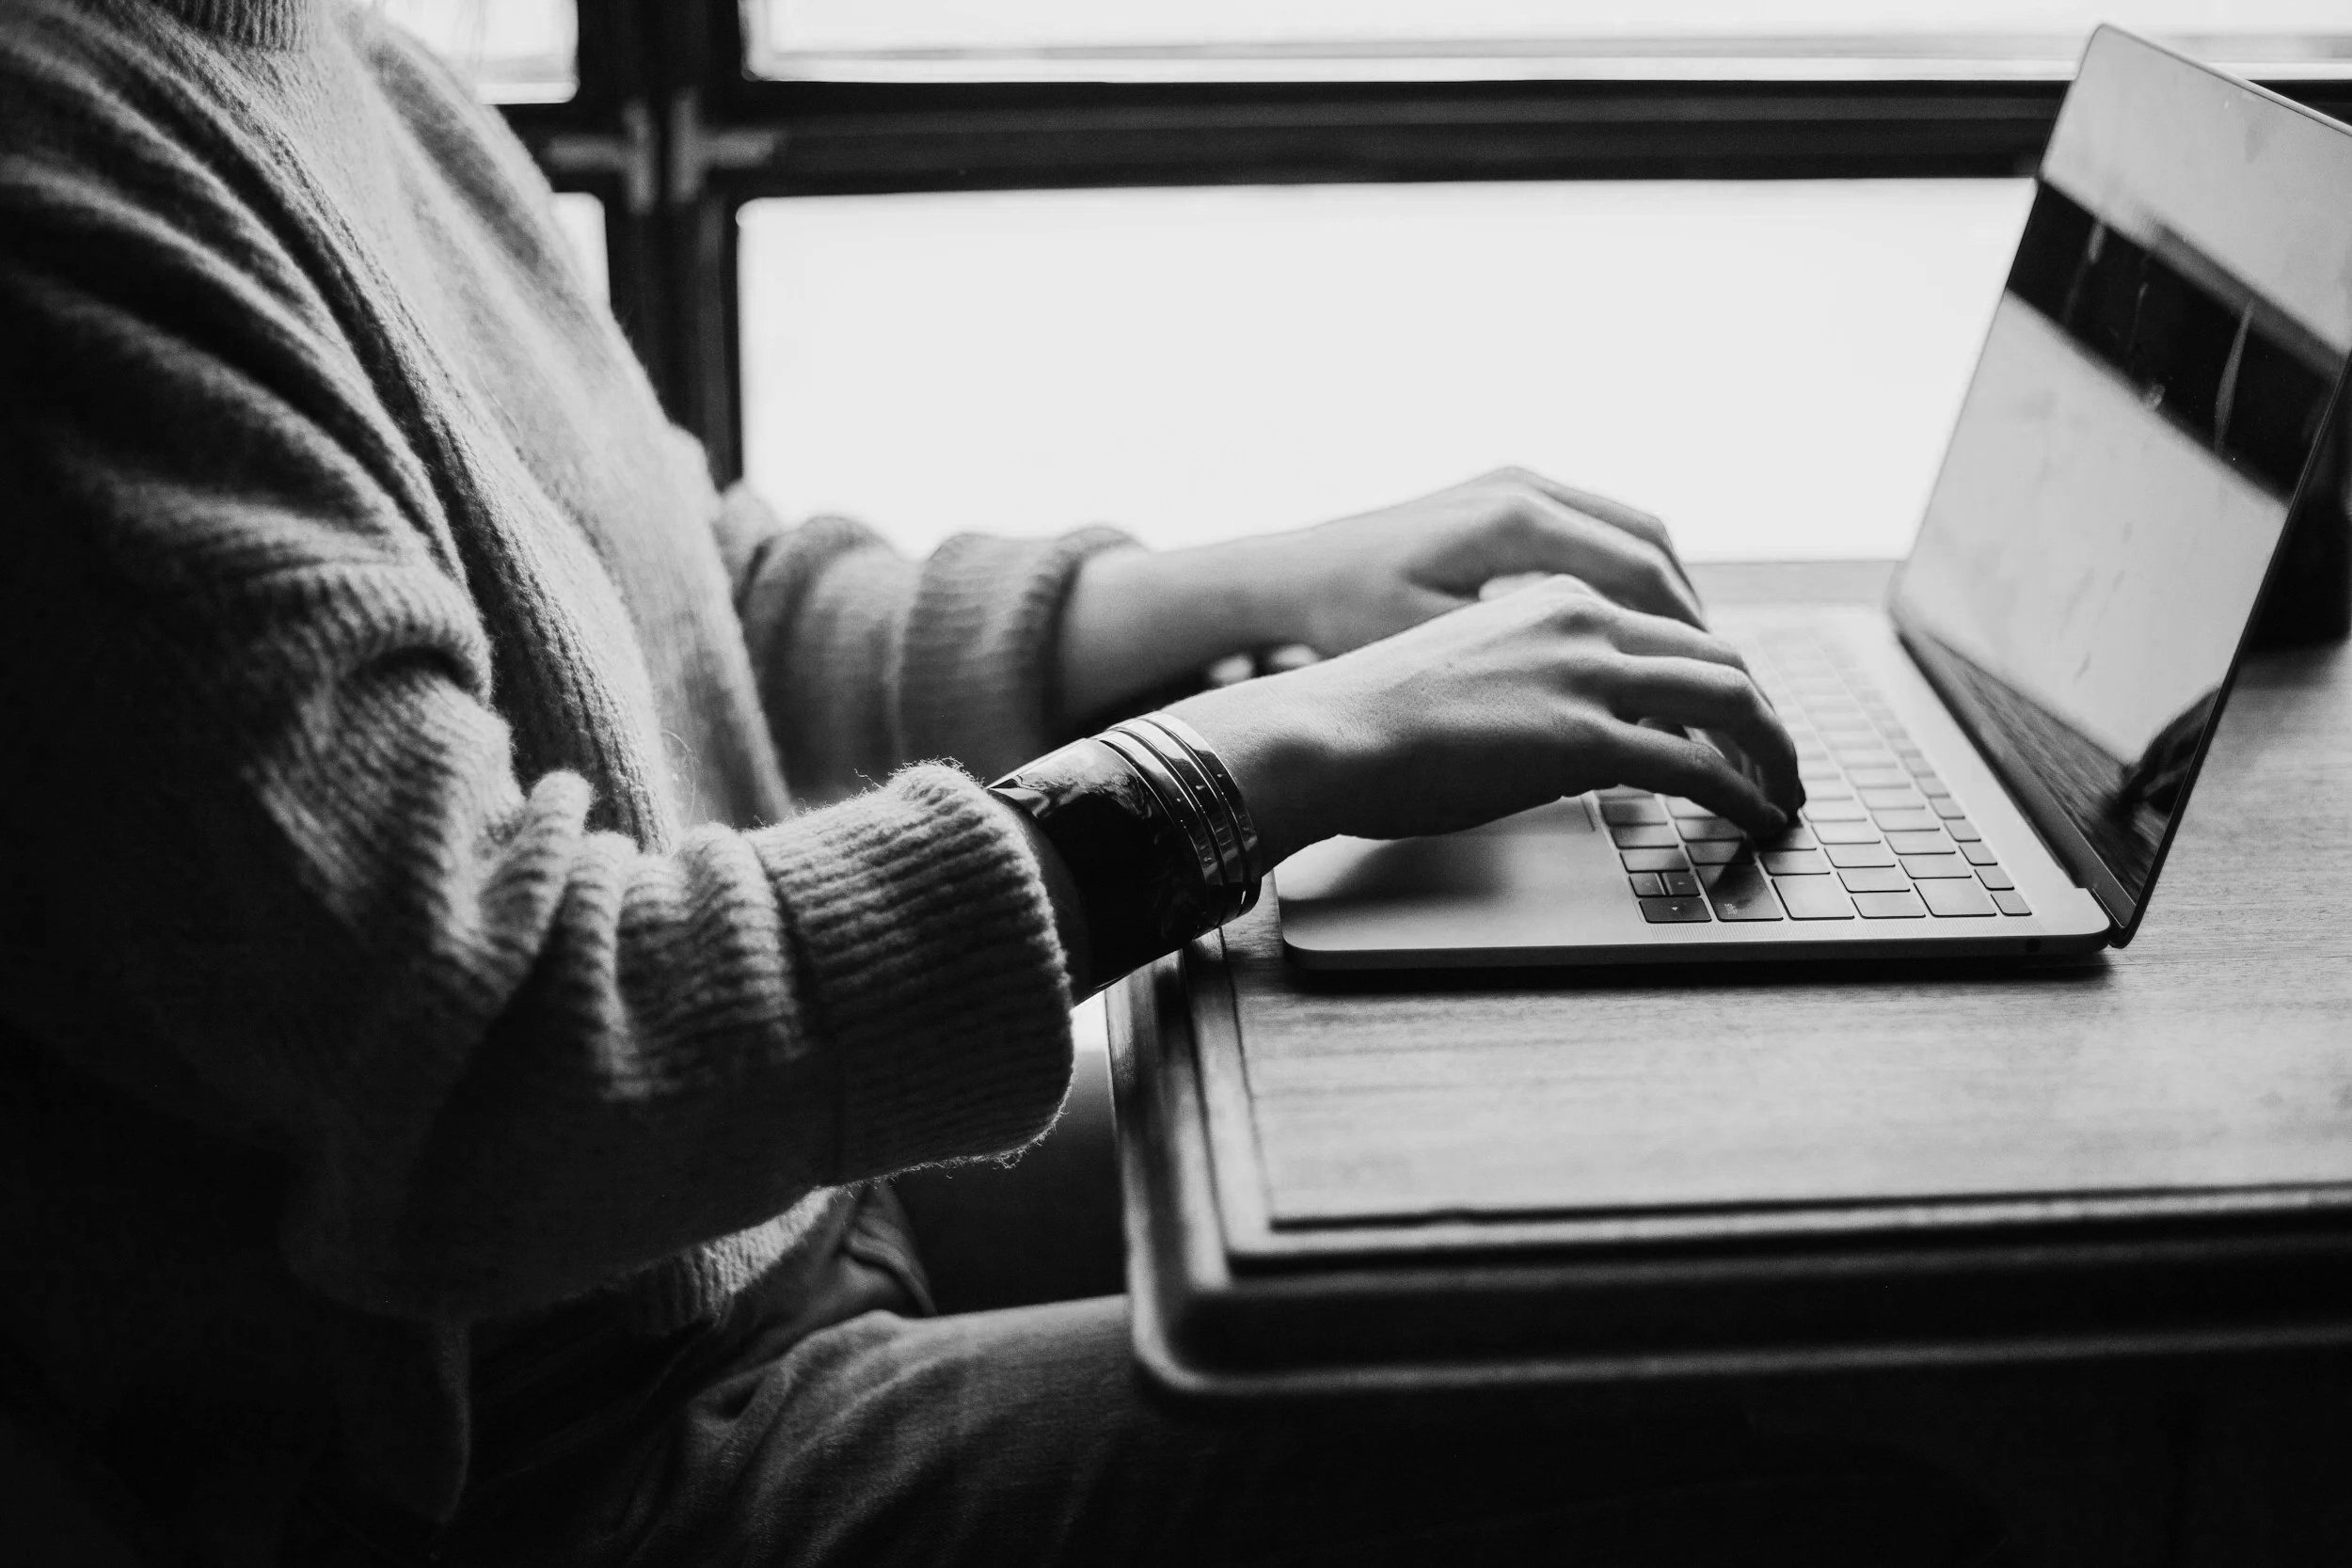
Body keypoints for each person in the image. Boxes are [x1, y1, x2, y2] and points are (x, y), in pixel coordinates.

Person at [0, 2, 2006, 1563]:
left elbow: (707, 593)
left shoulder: (336, 64)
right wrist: (1257, 762)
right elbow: (515, 1056)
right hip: (557, 1471)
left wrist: (1240, 593)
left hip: (752, 1217)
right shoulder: (60, 193)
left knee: (1635, 1175)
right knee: (1818, 1463)